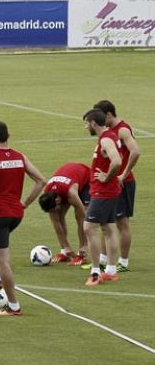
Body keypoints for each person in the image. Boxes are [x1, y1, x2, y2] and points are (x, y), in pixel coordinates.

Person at [0, 122, 45, 316]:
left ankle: (13, 306)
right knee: (3, 250)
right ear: (9, 136)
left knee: (3, 260)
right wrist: (25, 203)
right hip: (16, 213)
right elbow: (41, 181)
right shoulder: (20, 157)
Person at [94, 100, 139, 272]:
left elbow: (135, 151)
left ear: (109, 115)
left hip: (123, 183)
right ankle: (104, 260)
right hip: (111, 183)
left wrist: (124, 174)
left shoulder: (122, 129)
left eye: (100, 117)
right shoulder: (110, 131)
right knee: (106, 222)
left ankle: (123, 262)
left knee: (122, 223)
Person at [82, 109, 122, 286]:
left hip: (103, 191)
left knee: (89, 227)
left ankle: (96, 272)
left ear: (93, 123)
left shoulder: (106, 139)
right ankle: (111, 271)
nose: (85, 127)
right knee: (109, 228)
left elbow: (117, 160)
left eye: (86, 123)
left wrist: (107, 177)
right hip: (108, 191)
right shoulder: (110, 136)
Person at [38, 163, 91, 265]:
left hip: (86, 180)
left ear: (58, 200)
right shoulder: (48, 194)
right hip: (68, 181)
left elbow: (83, 216)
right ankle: (64, 253)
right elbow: (56, 222)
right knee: (59, 216)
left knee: (79, 216)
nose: (53, 212)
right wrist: (66, 247)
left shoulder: (71, 193)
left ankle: (82, 254)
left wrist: (85, 245)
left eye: (54, 209)